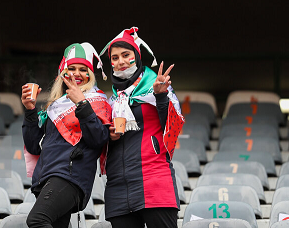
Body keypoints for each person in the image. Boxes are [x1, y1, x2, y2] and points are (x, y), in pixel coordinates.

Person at [100, 27, 185, 228]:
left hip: (154, 180)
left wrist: (161, 96)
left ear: (137, 57)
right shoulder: (111, 101)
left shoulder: (155, 87)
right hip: (118, 187)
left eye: (125, 55)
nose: (120, 61)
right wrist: (108, 135)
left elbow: (172, 127)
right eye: (114, 57)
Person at [21, 42, 112, 228]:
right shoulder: (55, 106)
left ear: (90, 75)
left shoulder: (98, 102)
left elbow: (98, 140)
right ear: (63, 73)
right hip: (46, 178)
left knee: (37, 220)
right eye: (71, 68)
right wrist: (30, 110)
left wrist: (82, 104)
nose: (77, 74)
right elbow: (33, 146)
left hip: (69, 178)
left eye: (82, 69)